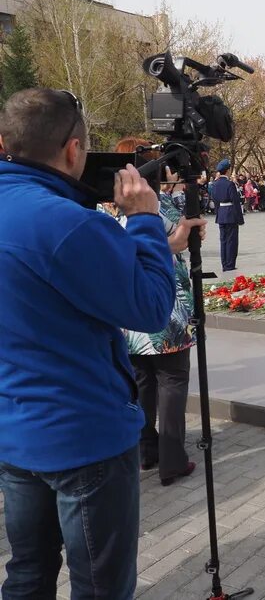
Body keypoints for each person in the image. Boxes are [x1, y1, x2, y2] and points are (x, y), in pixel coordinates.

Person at [0, 88, 176, 599]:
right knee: (100, 585)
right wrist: (143, 219)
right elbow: (149, 309)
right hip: (85, 437)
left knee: (28, 573)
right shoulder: (67, 223)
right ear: (74, 150)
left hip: (16, 431)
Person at [105, 137, 205, 487]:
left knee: (142, 383)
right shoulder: (158, 205)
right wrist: (178, 241)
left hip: (127, 315)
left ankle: (147, 451)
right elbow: (190, 237)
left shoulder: (102, 209)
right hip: (167, 310)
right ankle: (173, 460)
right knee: (173, 382)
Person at [208, 158, 244, 271]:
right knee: (231, 240)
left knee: (223, 241)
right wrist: (240, 218)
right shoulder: (230, 184)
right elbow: (236, 201)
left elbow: (215, 199)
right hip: (230, 214)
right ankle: (230, 264)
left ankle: (224, 264)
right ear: (227, 171)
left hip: (221, 214)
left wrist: (218, 213)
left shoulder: (215, 184)